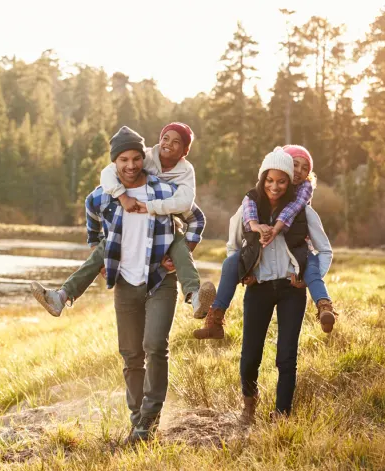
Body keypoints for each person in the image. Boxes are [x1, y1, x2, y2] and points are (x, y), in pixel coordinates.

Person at [41, 127, 206, 443]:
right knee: (131, 355)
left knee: (155, 347)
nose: (130, 165)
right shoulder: (105, 193)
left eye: (135, 158)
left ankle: (150, 417)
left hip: (160, 280)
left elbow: (196, 217)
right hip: (125, 283)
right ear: (114, 163)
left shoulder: (163, 191)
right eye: (123, 160)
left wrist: (189, 247)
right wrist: (97, 251)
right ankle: (138, 422)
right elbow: (91, 215)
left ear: (144, 159)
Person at [31, 123, 215, 320]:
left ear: (185, 151)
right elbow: (108, 174)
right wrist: (122, 197)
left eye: (176, 142)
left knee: (179, 245)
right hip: (128, 228)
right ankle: (60, 297)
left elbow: (189, 206)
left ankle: (195, 297)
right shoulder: (143, 158)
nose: (168, 144)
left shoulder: (184, 173)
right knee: (105, 247)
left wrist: (183, 249)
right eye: (165, 138)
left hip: (166, 226)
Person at [205, 147, 331, 422]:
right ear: (263, 178)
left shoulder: (304, 212)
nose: (275, 185)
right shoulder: (248, 209)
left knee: (287, 356)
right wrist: (243, 272)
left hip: (291, 291)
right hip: (258, 288)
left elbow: (325, 250)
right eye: (270, 180)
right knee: (250, 353)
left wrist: (309, 276)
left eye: (283, 180)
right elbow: (232, 247)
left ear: (289, 181)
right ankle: (249, 407)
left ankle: (282, 413)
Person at [193, 144, 336, 340]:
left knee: (310, 265)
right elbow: (236, 238)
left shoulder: (302, 197)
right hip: (258, 268)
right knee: (230, 263)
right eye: (295, 165)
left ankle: (324, 306)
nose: (299, 172)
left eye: (305, 169)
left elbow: (294, 212)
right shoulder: (254, 198)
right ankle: (215, 317)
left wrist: (276, 229)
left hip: (297, 256)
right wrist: (246, 269)